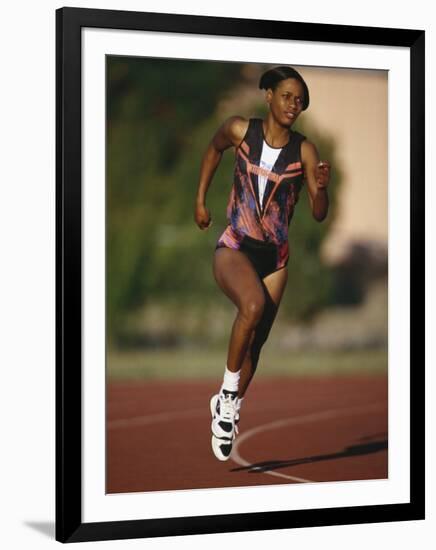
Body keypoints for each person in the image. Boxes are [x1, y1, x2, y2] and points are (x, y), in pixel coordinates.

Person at [194, 66, 331, 461]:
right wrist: (200, 200)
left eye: (300, 100)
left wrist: (320, 189)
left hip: (276, 259)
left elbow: (318, 212)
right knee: (251, 307)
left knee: (258, 343)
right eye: (287, 95)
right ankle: (226, 395)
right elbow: (212, 149)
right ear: (268, 95)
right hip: (235, 245)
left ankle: (229, 403)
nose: (294, 104)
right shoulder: (240, 130)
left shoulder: (305, 150)